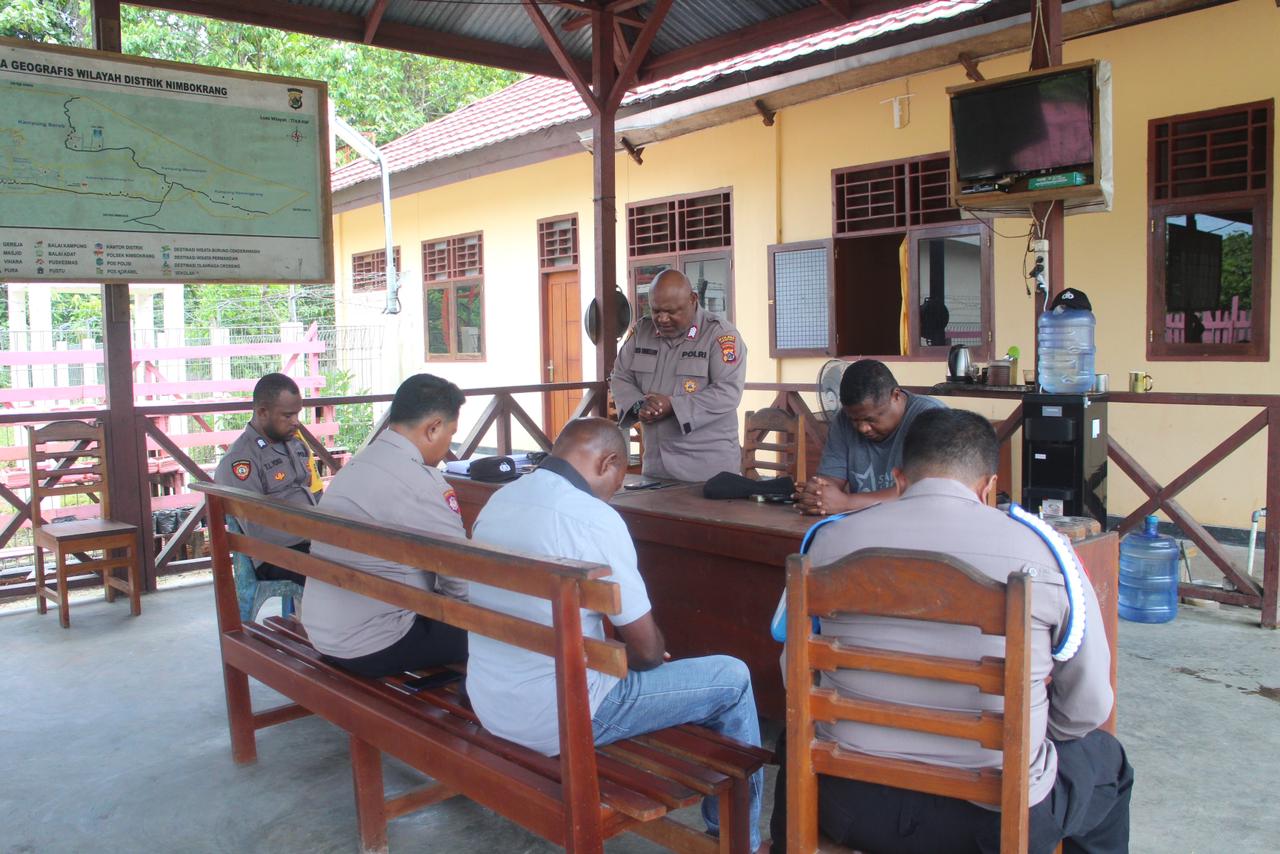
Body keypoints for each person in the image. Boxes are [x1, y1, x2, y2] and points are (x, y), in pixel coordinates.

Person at [770, 409, 1131, 854]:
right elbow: (1086, 708)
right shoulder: (1045, 553)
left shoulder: (824, 545)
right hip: (992, 826)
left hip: (850, 806)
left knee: (794, 738)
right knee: (1107, 761)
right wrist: (1028, 736)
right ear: (987, 487)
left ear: (899, 480)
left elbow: (795, 679)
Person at [465, 418, 766, 851]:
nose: (617, 488)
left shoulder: (500, 500)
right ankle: (741, 840)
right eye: (621, 476)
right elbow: (644, 652)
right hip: (561, 718)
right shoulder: (593, 517)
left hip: (493, 703)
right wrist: (647, 653)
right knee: (732, 677)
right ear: (609, 462)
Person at [302, 374, 469, 678]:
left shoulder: (360, 463)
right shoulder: (422, 482)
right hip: (378, 642)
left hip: (324, 633)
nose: (448, 447)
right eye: (451, 434)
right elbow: (459, 576)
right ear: (432, 428)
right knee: (513, 633)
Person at [610, 269, 747, 482]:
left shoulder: (720, 335)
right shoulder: (642, 331)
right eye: (656, 311)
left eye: (672, 311)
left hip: (707, 471)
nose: (662, 319)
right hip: (656, 466)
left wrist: (672, 406)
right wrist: (639, 406)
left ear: (693, 299)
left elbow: (728, 392)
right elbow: (620, 376)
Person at [794, 359, 943, 516]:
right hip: (862, 528)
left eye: (870, 419)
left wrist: (846, 503)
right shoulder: (842, 420)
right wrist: (818, 495)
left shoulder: (931, 417)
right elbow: (829, 480)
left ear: (896, 396)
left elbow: (924, 492)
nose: (862, 428)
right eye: (855, 420)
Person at [214, 372, 322, 587]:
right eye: (288, 416)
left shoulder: (295, 445)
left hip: (312, 541)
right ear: (263, 412)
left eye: (298, 414)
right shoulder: (241, 460)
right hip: (274, 554)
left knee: (374, 564)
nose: (296, 423)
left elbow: (315, 494)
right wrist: (315, 530)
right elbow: (258, 528)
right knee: (340, 576)